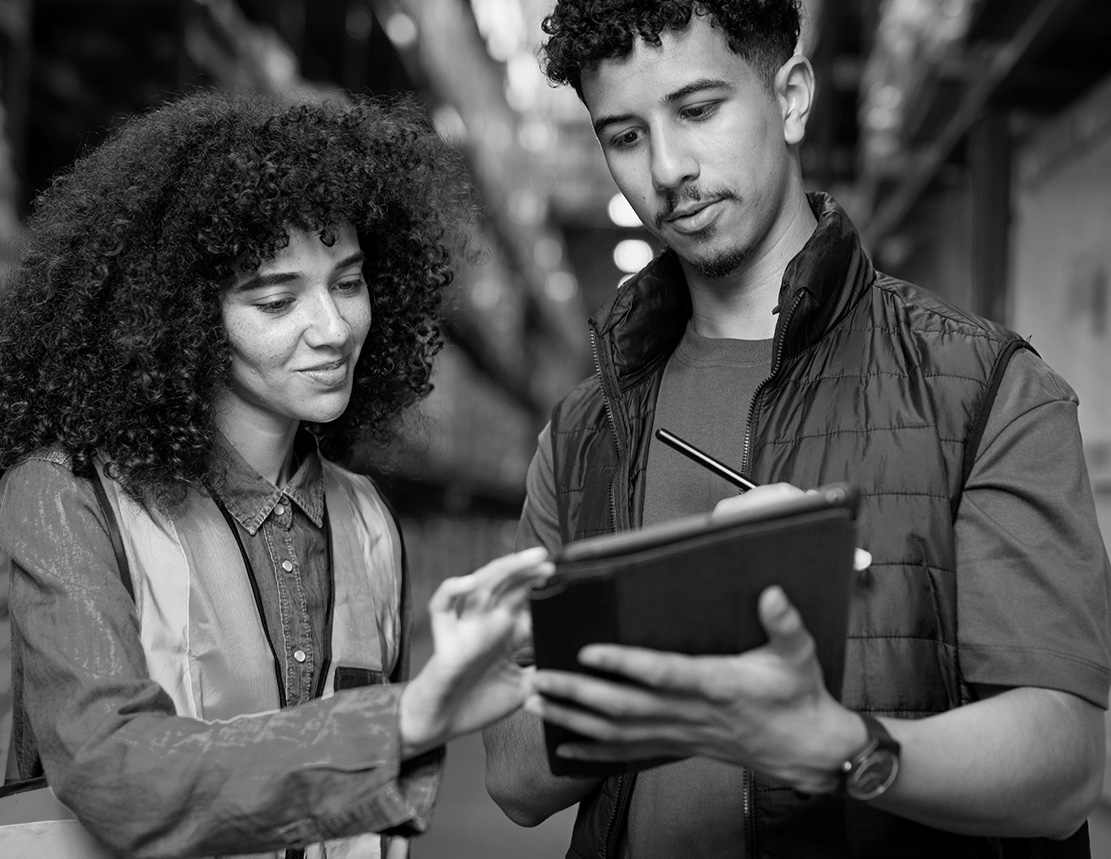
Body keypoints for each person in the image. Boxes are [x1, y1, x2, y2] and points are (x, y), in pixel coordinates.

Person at [481, 1, 1111, 857]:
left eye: (698, 110)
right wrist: (683, 620)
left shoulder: (984, 389)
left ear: (791, 96)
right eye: (624, 135)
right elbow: (515, 780)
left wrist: (835, 740)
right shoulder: (585, 430)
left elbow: (1067, 764)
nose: (667, 168)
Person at [0, 89, 553, 858]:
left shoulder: (367, 520)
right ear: (181, 315)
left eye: (349, 282)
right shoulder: (65, 497)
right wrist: (407, 718)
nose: (332, 329)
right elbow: (109, 771)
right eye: (276, 298)